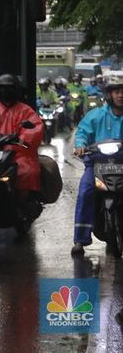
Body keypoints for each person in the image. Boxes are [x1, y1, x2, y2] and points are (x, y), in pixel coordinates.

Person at [0, 74, 44, 250]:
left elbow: (35, 128)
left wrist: (22, 139)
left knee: (26, 171)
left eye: (10, 88)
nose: (6, 91)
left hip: (18, 153)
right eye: (3, 88)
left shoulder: (26, 110)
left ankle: (23, 203)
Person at [71, 74, 123, 256]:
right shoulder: (95, 115)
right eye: (117, 91)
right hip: (97, 163)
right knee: (85, 191)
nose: (121, 95)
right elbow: (82, 133)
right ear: (109, 94)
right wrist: (80, 146)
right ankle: (80, 239)